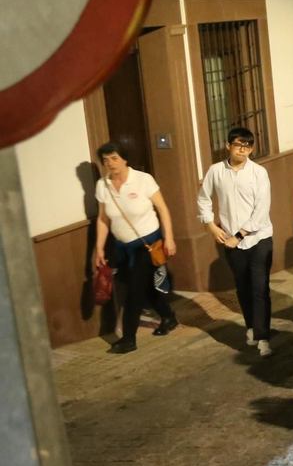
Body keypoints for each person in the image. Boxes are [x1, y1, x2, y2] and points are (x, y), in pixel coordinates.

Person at [92, 141, 178, 353]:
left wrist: (169, 238)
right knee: (146, 286)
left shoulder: (143, 180)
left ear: (124, 158)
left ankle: (129, 339)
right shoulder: (103, 186)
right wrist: (99, 247)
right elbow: (103, 218)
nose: (110, 163)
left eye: (114, 158)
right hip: (122, 247)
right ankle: (168, 317)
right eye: (105, 160)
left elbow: (162, 209)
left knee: (134, 291)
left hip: (148, 244)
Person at [197, 126, 274, 356]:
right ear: (228, 145)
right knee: (243, 287)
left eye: (248, 146)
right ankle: (251, 326)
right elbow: (203, 199)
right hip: (231, 240)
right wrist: (211, 226)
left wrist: (238, 235)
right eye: (239, 145)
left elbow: (261, 210)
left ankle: (263, 337)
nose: (243, 150)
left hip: (259, 238)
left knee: (260, 287)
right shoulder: (215, 171)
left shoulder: (259, 173)